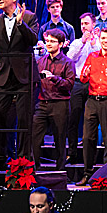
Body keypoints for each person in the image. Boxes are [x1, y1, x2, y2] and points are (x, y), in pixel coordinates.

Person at [0, 0, 40, 168]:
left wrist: (21, 24)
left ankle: (23, 161)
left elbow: (33, 40)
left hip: (25, 75)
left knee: (23, 118)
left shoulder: (29, 17)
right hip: (4, 75)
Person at [77, 29, 107, 185]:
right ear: (99, 39)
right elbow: (83, 79)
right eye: (103, 38)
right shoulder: (92, 56)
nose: (105, 40)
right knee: (87, 138)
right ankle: (87, 173)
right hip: (92, 100)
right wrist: (85, 72)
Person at [33, 29, 76, 170]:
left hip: (60, 104)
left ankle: (60, 171)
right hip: (42, 103)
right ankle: (35, 169)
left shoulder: (68, 62)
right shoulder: (41, 61)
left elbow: (69, 85)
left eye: (52, 41)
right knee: (35, 138)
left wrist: (54, 78)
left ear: (61, 44)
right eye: (47, 41)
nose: (49, 44)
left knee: (60, 140)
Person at [65, 13, 99, 165]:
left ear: (93, 25)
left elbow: (99, 58)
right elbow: (69, 58)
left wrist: (91, 43)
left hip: (93, 83)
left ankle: (91, 154)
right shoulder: (76, 42)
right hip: (78, 83)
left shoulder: (99, 42)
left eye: (87, 23)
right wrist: (83, 43)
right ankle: (71, 152)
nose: (84, 26)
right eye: (82, 24)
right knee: (73, 118)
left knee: (91, 120)